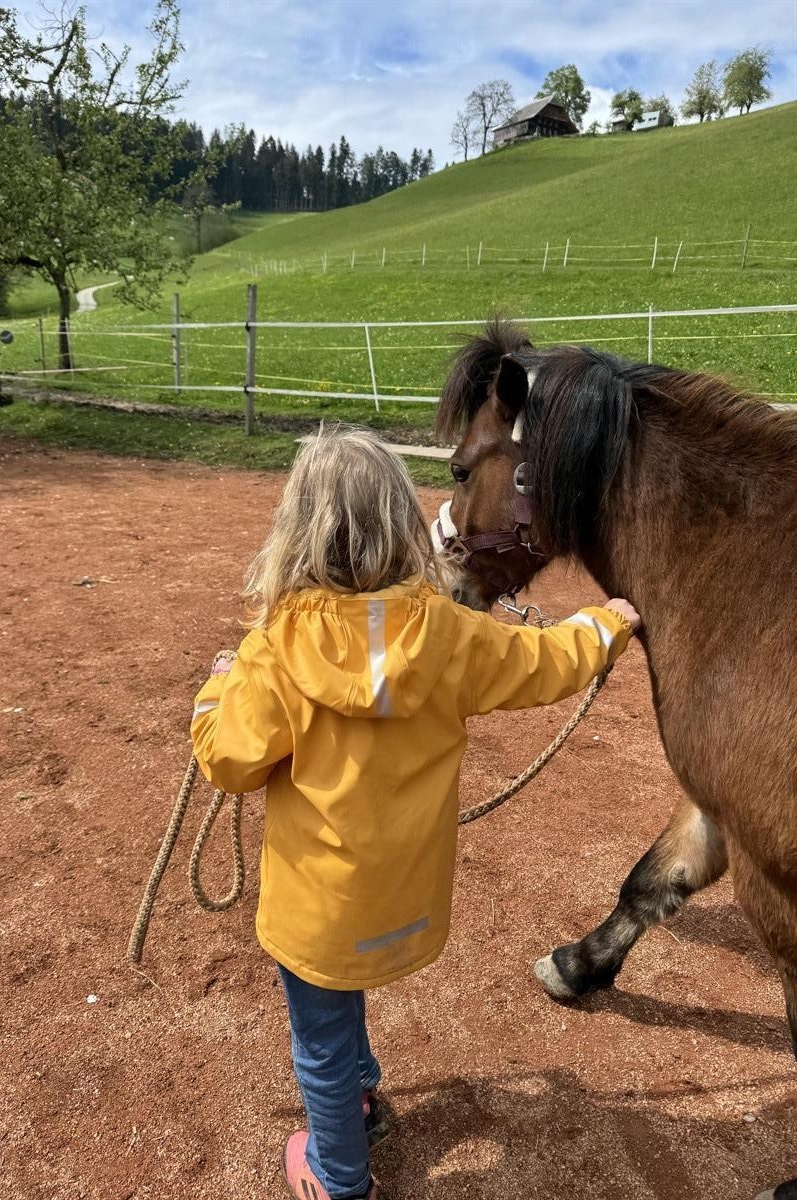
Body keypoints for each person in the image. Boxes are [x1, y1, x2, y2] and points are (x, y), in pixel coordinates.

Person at [191, 427, 641, 1200]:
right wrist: (605, 625)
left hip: (316, 910)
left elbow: (227, 759)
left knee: (320, 1037)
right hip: (407, 899)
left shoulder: (275, 651)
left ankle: (339, 1179)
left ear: (299, 528)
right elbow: (542, 663)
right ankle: (362, 1093)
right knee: (341, 1007)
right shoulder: (447, 634)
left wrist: (215, 688)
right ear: (402, 521)